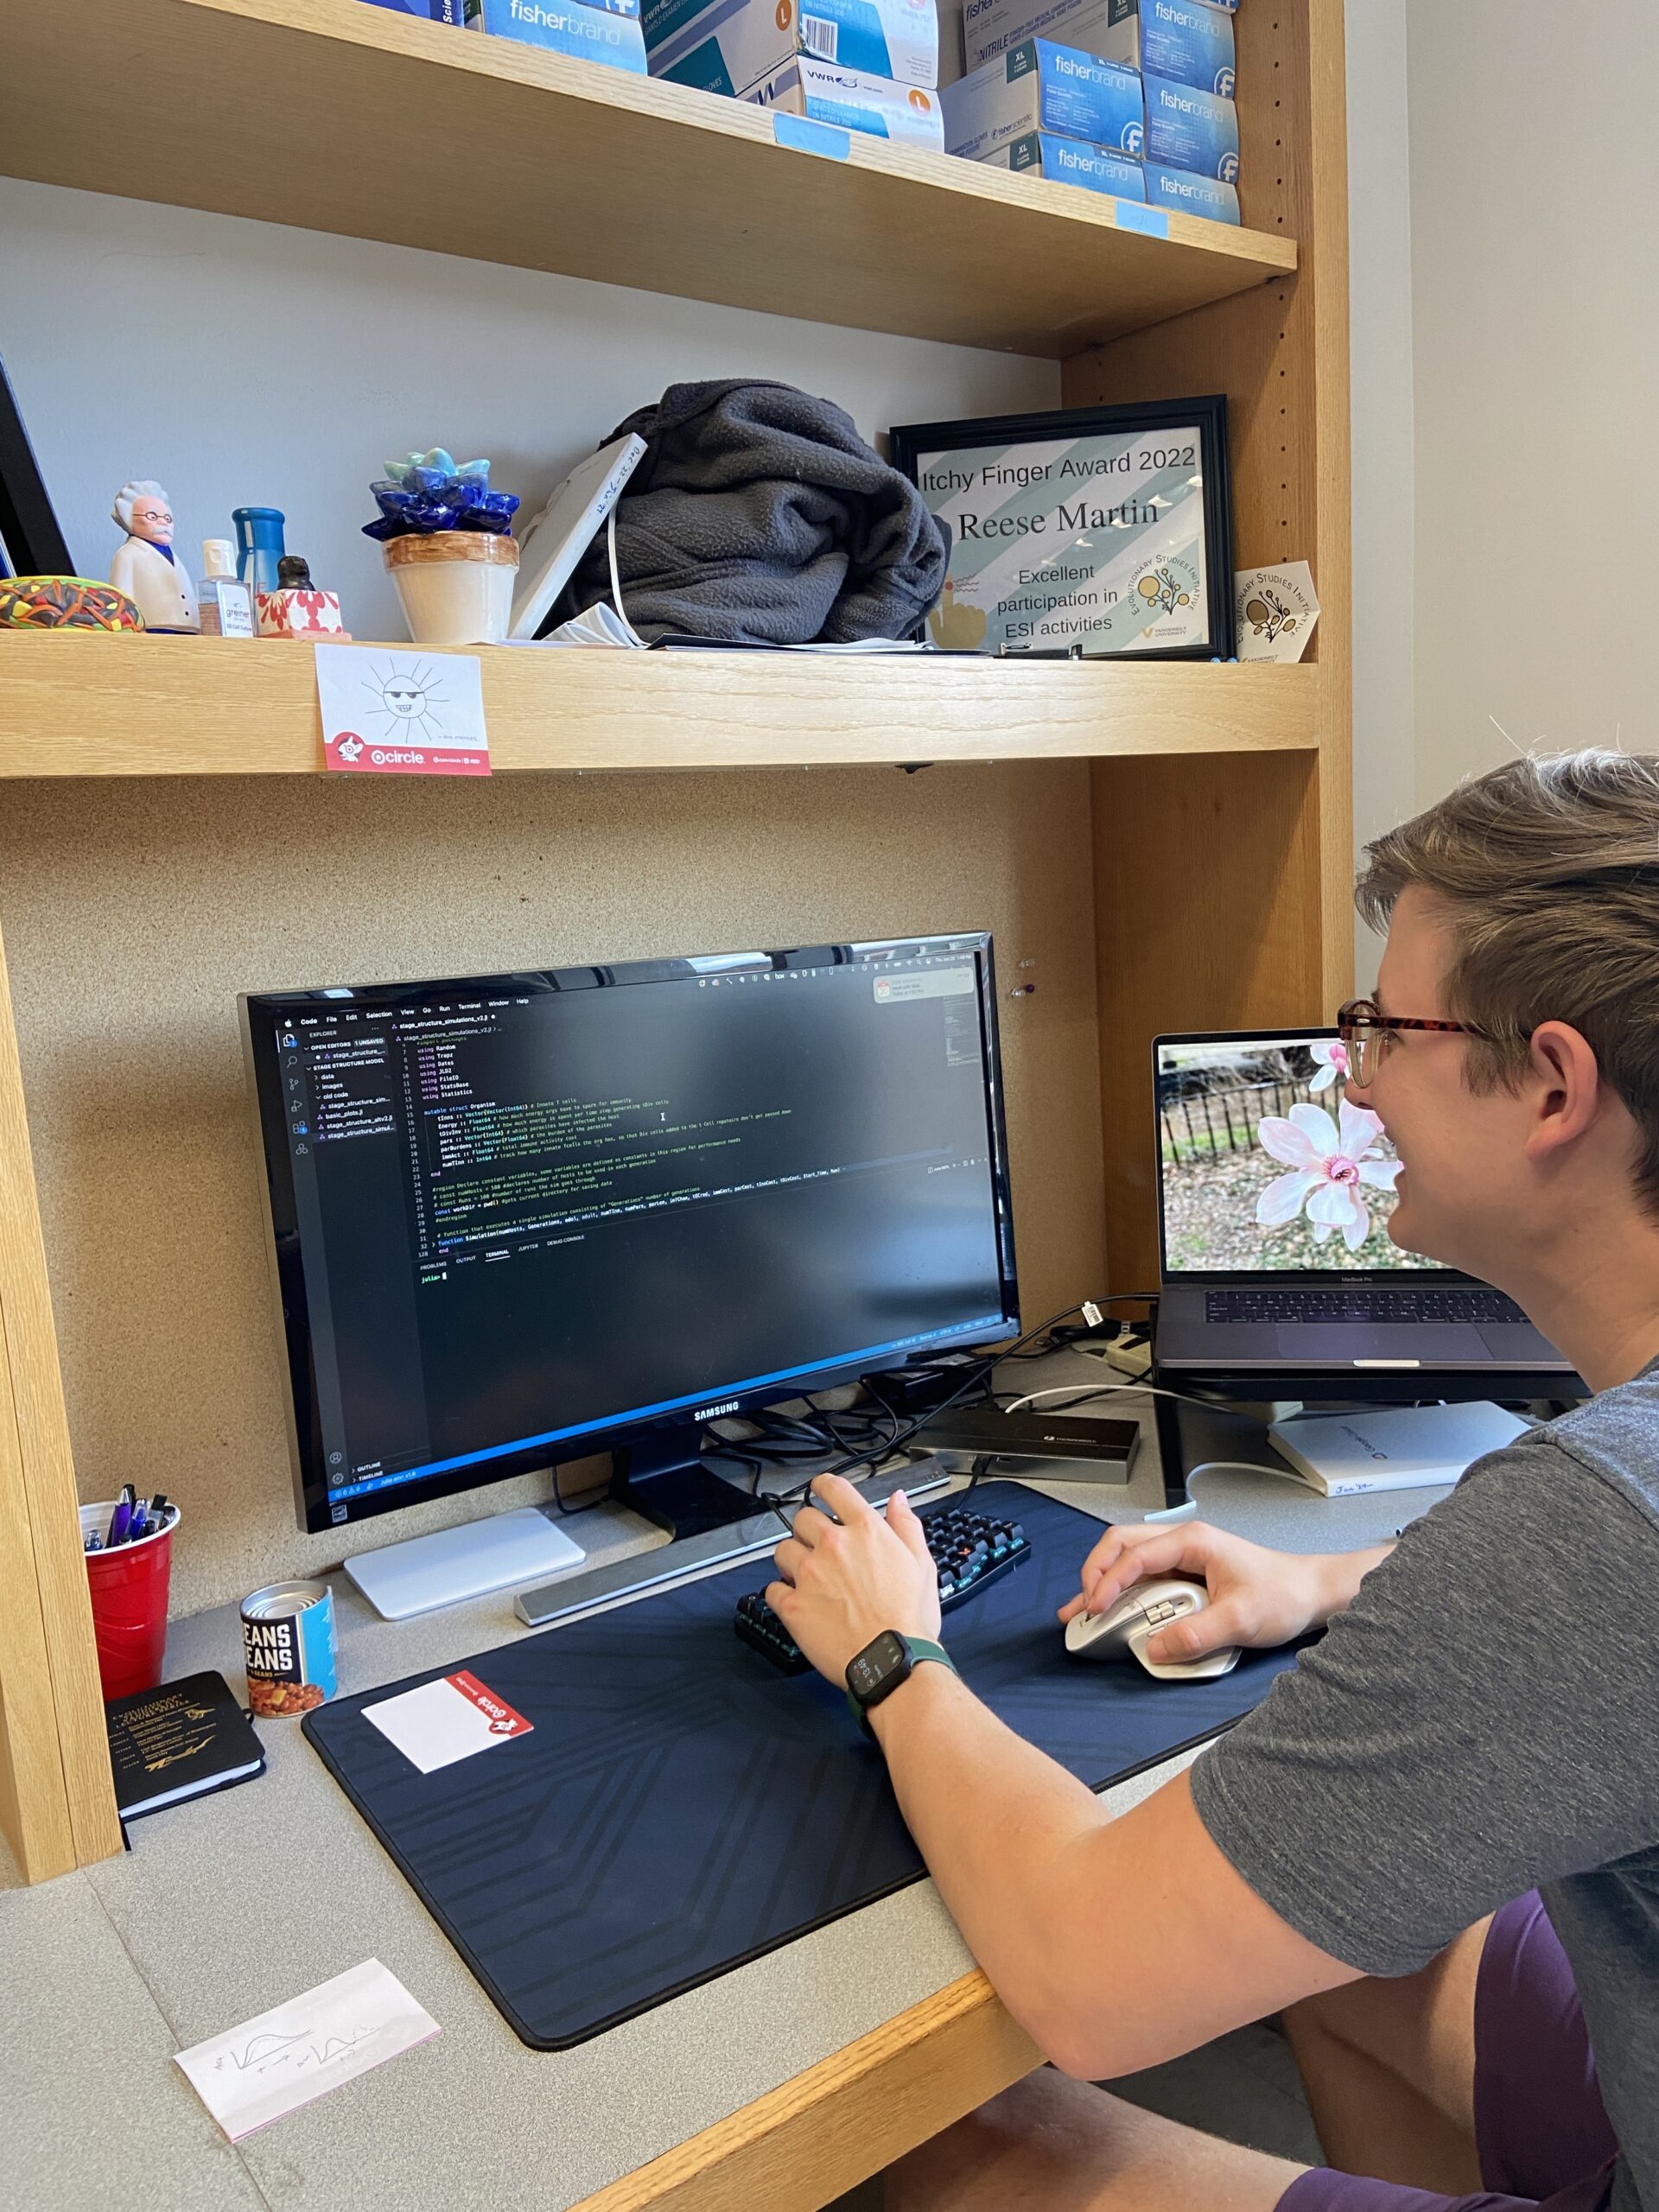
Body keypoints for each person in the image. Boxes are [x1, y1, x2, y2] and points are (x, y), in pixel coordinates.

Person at [765, 751, 1659, 2212]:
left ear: (1553, 1083)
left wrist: (891, 1653)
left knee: (963, 2145)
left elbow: (1090, 1977)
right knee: (1353, 1935)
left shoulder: (1589, 1531)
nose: (1353, 1076)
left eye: (1386, 1027)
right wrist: (1320, 1582)